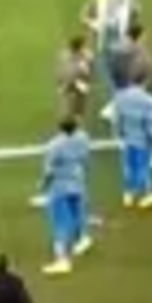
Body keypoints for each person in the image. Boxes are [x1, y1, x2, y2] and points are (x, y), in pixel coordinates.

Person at [40, 117, 93, 276]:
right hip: (77, 182)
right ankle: (83, 239)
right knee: (78, 213)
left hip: (60, 187)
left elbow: (49, 171)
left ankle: (62, 260)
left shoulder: (54, 145)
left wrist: (43, 185)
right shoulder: (83, 138)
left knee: (60, 224)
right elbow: (86, 158)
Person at [112, 73, 152, 209]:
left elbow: (116, 119)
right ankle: (145, 194)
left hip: (127, 138)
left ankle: (128, 193)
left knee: (128, 166)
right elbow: (151, 122)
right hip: (142, 139)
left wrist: (118, 135)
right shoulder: (148, 100)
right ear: (144, 81)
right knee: (143, 167)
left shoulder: (120, 96)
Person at [81, 0, 138, 90]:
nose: (113, 1)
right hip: (107, 40)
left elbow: (136, 12)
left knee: (120, 66)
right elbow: (85, 15)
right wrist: (91, 23)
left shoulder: (125, 1)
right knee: (107, 65)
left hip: (118, 42)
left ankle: (122, 84)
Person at [56, 35, 94, 122]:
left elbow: (89, 70)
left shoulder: (87, 55)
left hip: (80, 82)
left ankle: (77, 115)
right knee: (69, 100)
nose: (84, 47)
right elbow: (61, 71)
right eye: (83, 46)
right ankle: (70, 116)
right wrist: (61, 83)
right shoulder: (65, 56)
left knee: (80, 99)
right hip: (70, 81)